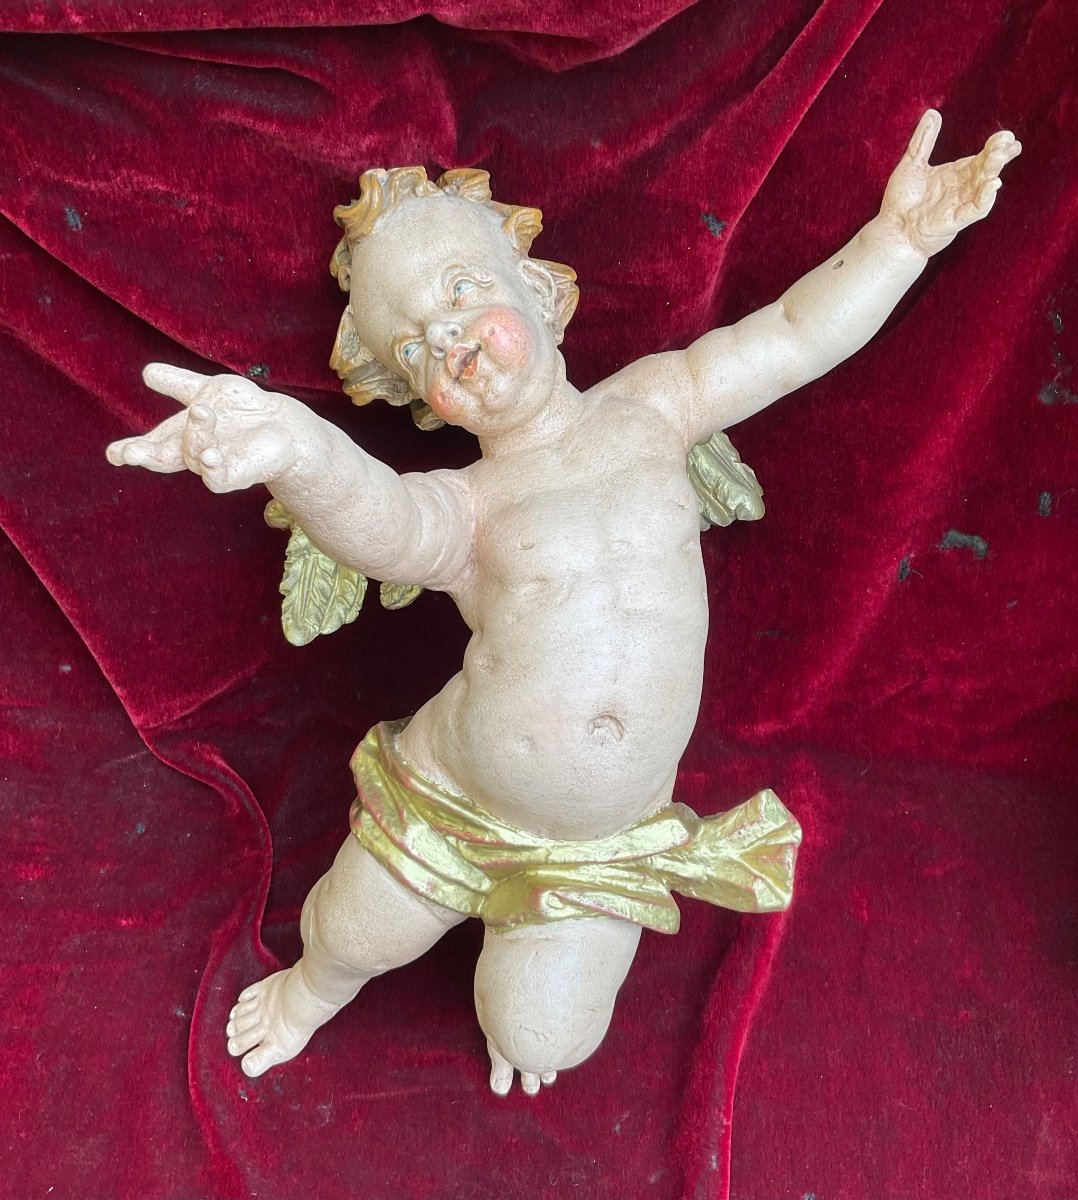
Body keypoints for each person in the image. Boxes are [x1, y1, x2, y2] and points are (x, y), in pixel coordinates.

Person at [107, 110, 1019, 1094]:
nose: (449, 343)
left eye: (462, 296)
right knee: (349, 932)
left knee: (546, 1043)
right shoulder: (466, 506)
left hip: (601, 834)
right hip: (453, 805)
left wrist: (898, 242)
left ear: (536, 294)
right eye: (415, 351)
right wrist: (291, 446)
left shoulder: (653, 407)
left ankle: (532, 950)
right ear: (423, 401)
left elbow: (793, 338)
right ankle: (312, 993)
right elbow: (374, 516)